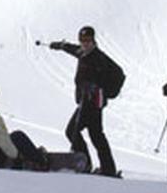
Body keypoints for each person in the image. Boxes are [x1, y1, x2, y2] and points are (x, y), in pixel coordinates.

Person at [49, 26, 119, 177]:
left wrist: (95, 86)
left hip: (92, 103)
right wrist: (61, 46)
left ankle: (85, 164)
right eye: (82, 40)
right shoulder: (83, 52)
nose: (84, 43)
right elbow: (73, 49)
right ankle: (107, 168)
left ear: (93, 40)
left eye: (87, 40)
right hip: (86, 102)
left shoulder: (98, 58)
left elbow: (110, 77)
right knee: (96, 135)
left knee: (73, 131)